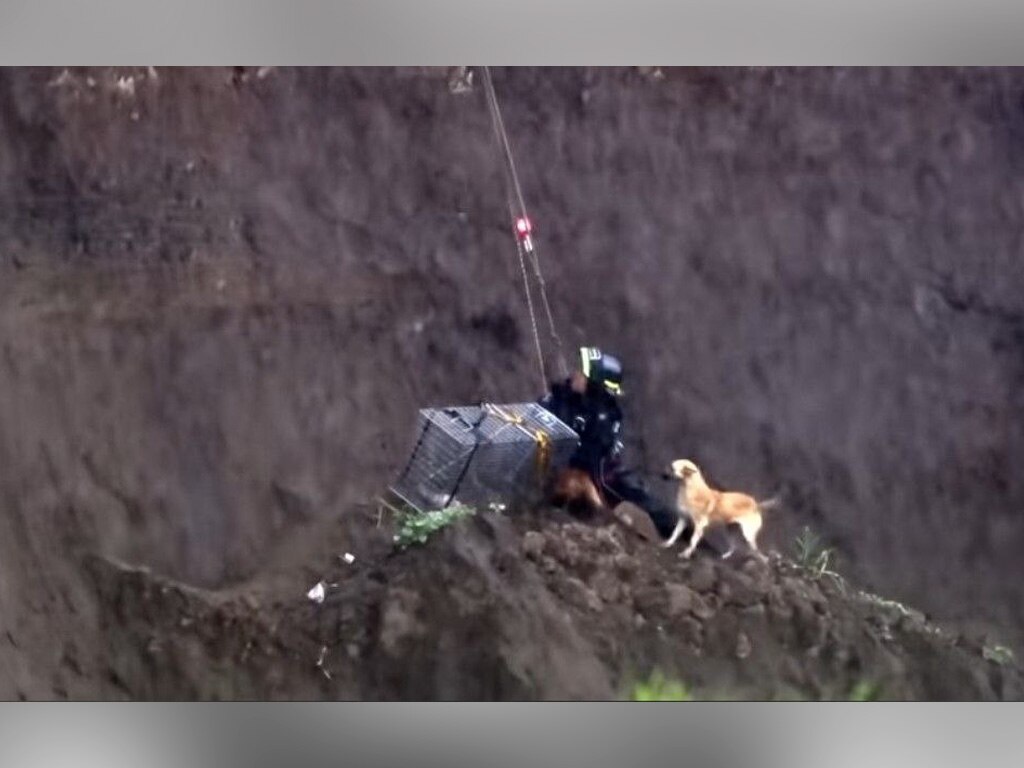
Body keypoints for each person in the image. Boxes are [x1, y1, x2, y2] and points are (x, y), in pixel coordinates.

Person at [538, 346, 684, 541]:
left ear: (594, 386)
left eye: (583, 374)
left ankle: (682, 531)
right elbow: (542, 412)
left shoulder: (605, 416)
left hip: (601, 472)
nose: (576, 375)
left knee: (641, 498)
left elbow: (595, 456)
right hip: (564, 468)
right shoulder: (563, 397)